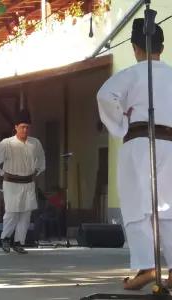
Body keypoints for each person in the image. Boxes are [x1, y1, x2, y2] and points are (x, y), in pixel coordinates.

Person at [97, 18, 172, 290]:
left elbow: (105, 95)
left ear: (135, 48)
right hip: (170, 145)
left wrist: (121, 124)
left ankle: (146, 266)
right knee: (168, 207)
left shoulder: (133, 73)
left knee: (135, 204)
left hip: (140, 141)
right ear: (161, 47)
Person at [0, 109, 45, 254]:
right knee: (12, 211)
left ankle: (19, 242)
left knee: (26, 213)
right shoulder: (7, 143)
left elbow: (41, 162)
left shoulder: (35, 143)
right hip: (11, 182)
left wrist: (36, 172)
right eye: (22, 127)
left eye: (27, 127)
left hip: (28, 182)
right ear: (16, 127)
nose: (25, 130)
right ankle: (5, 238)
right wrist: (2, 172)